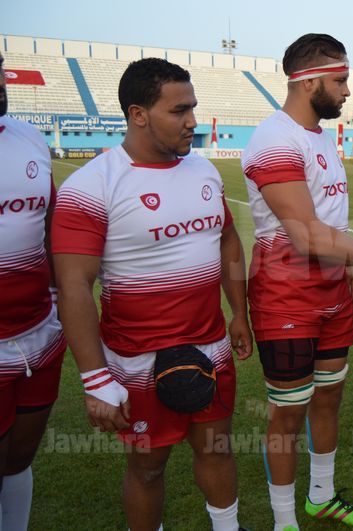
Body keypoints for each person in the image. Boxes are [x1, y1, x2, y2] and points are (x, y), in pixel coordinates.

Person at [52, 58, 252, 531]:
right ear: (138, 114)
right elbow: (74, 286)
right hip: (138, 361)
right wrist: (95, 380)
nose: (193, 121)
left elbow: (227, 239)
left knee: (217, 449)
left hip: (210, 348)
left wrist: (238, 313)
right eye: (179, 111)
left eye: (193, 108)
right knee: (147, 469)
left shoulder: (204, 171)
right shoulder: (91, 186)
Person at [240, 33, 353, 530]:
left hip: (333, 291)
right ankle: (285, 522)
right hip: (286, 293)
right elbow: (306, 235)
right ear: (308, 81)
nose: (347, 90)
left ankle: (321, 497)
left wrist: (352, 263)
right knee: (287, 412)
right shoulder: (274, 140)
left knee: (329, 396)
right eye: (340, 80)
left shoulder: (318, 136)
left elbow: (330, 220)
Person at [0, 51, 67, 531]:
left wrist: (60, 303)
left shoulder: (28, 136)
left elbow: (50, 225)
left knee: (19, 459)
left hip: (40, 334)